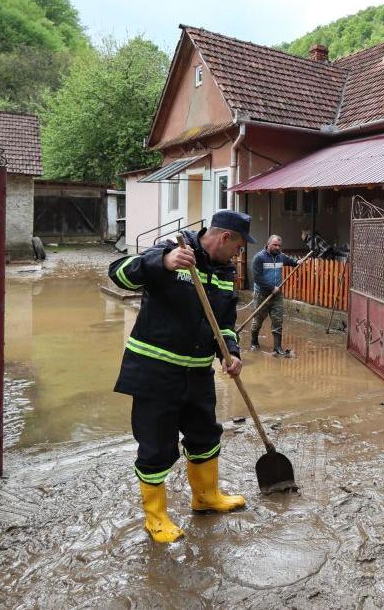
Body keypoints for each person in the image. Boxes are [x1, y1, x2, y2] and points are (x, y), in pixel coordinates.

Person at [107, 210, 255, 544]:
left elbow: (226, 324)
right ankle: (156, 518)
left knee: (205, 435)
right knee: (157, 445)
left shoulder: (224, 272)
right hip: (154, 373)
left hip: (197, 373)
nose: (239, 254)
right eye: (239, 247)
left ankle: (205, 497)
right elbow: (118, 274)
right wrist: (163, 261)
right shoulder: (175, 249)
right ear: (225, 238)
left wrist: (231, 354)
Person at [249, 234, 300, 356]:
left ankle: (277, 347)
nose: (277, 247)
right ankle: (254, 342)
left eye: (279, 246)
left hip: (277, 295)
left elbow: (291, 261)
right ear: (268, 245)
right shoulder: (259, 258)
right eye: (275, 245)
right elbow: (257, 278)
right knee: (258, 319)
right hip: (262, 294)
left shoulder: (281, 257)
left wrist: (297, 262)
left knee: (278, 320)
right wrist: (271, 288)